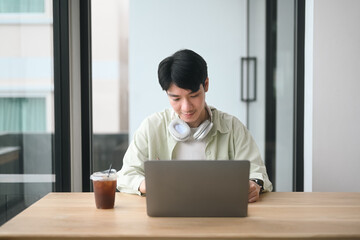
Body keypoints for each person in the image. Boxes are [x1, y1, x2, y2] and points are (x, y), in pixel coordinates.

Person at [117, 49, 273, 203]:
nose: (186, 107)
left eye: (193, 96)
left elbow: (258, 173)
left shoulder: (232, 127)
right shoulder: (151, 127)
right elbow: (125, 175)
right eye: (176, 99)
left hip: (221, 218)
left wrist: (255, 184)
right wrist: (148, 185)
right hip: (166, 220)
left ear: (206, 85)